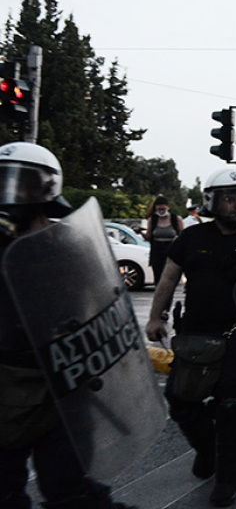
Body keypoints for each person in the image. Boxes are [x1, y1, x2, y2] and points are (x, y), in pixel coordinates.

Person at [0, 143, 138, 509]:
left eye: (25, 184)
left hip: (60, 386)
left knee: (70, 491)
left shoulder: (62, 249)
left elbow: (96, 308)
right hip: (6, 386)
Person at [145, 167, 236, 507]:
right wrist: (157, 316)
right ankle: (207, 448)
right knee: (181, 401)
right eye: (230, 198)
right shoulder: (191, 239)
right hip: (196, 336)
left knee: (230, 407)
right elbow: (168, 280)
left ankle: (228, 477)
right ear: (212, 201)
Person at [144, 194, 184, 289]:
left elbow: (182, 235)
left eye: (163, 209)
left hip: (170, 248)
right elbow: (148, 236)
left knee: (169, 277)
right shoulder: (152, 220)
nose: (161, 212)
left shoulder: (176, 219)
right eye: (159, 209)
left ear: (168, 208)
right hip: (157, 250)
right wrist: (140, 233)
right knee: (158, 277)